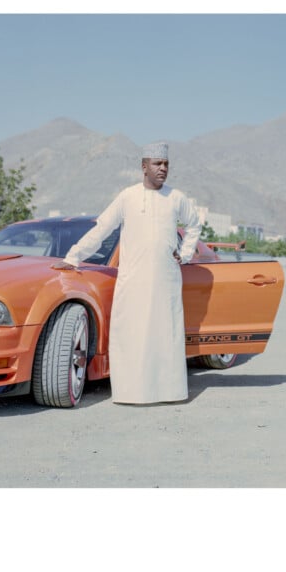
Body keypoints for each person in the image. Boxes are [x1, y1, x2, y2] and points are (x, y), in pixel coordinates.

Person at [51, 142, 201, 404]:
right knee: (132, 333)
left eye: (166, 164)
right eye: (157, 164)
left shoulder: (177, 198)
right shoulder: (127, 196)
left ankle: (168, 392)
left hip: (165, 280)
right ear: (144, 167)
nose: (163, 169)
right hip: (133, 279)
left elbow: (195, 224)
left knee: (165, 334)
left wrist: (185, 254)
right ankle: (131, 393)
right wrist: (73, 256)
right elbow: (102, 229)